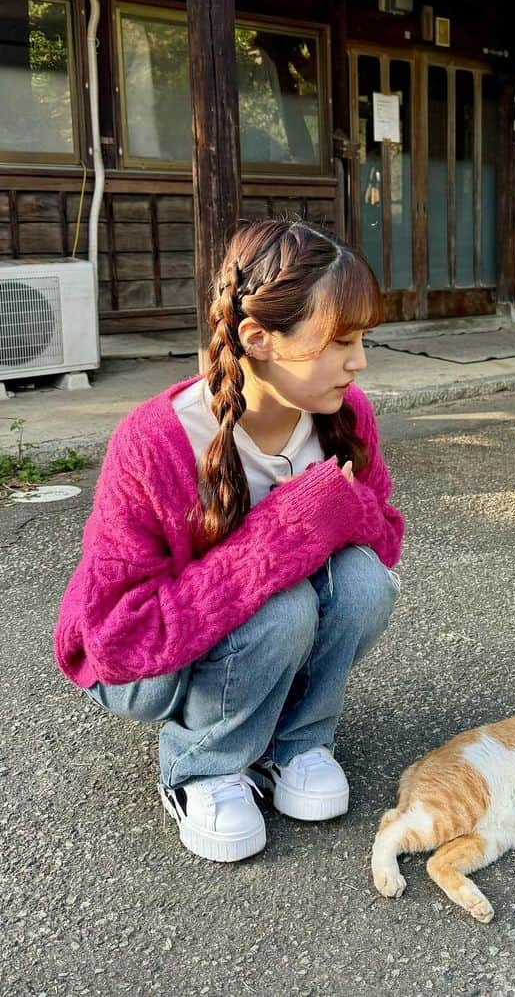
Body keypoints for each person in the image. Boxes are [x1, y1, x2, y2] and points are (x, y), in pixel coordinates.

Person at [53, 219, 403, 863]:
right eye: (339, 341)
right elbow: (120, 638)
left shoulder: (345, 414)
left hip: (251, 636)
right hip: (141, 665)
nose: (358, 362)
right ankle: (202, 767)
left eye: (362, 340)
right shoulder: (154, 442)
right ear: (257, 337)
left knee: (363, 582)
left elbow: (383, 543)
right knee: (282, 604)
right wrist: (286, 532)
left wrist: (342, 514)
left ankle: (296, 742)